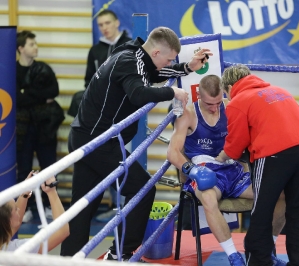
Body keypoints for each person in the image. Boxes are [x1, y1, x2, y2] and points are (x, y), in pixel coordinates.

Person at [60, 26, 212, 261]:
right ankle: (119, 252)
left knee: (84, 205)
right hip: (97, 142)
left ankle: (67, 259)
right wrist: (172, 93)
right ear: (156, 52)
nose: (167, 64)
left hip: (89, 137)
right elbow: (138, 93)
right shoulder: (129, 62)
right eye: (168, 59)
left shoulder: (133, 52)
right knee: (142, 189)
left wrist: (186, 68)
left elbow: (150, 73)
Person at [167, 75, 287, 266]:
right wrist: (193, 170)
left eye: (217, 103)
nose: (214, 108)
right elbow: (172, 152)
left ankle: (267, 250)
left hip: (234, 169)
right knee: (207, 197)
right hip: (205, 170)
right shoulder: (188, 114)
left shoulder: (232, 106)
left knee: (280, 193)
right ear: (198, 94)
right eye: (208, 104)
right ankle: (233, 256)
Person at [216, 64, 299, 266]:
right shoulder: (281, 91)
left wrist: (216, 160)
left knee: (261, 211)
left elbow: (234, 149)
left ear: (228, 88)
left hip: (274, 154)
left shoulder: (238, 101)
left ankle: (258, 262)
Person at [83, 9, 132, 223]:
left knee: (125, 158)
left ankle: (128, 205)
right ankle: (115, 206)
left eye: (107, 23)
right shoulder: (95, 51)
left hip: (125, 114)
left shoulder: (131, 46)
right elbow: (88, 82)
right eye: (100, 24)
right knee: (105, 159)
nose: (104, 27)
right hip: (101, 118)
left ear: (117, 22)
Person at [16, 31, 65, 223]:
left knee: (49, 167)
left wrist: (26, 94)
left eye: (35, 43)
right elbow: (16, 99)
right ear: (21, 49)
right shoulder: (11, 70)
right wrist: (40, 97)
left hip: (45, 127)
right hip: (22, 129)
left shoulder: (43, 69)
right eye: (31, 44)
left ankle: (47, 204)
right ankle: (24, 206)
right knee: (24, 168)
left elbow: (54, 91)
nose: (35, 47)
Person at [0, 171, 69, 253]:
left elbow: (12, 225)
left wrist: (25, 193)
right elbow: (62, 231)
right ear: (9, 221)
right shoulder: (17, 249)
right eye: (15, 209)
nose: (18, 209)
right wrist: (51, 191)